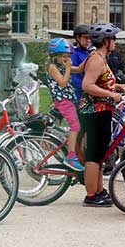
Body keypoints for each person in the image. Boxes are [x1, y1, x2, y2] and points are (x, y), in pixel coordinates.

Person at [80, 23, 125, 207]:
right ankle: (91, 194)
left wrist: (117, 87)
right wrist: (112, 95)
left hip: (101, 111)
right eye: (113, 38)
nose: (115, 42)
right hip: (95, 111)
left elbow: (101, 83)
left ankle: (99, 190)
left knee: (100, 153)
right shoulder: (97, 60)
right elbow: (87, 85)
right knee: (94, 153)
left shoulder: (100, 57)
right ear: (105, 41)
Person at [45, 37, 84, 170]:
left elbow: (78, 69)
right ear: (54, 56)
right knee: (75, 126)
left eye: (68, 57)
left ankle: (74, 150)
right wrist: (68, 68)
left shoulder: (62, 65)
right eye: (64, 57)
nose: (66, 59)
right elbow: (62, 83)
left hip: (69, 100)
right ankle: (71, 156)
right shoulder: (53, 67)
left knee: (77, 126)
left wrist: (90, 59)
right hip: (63, 101)